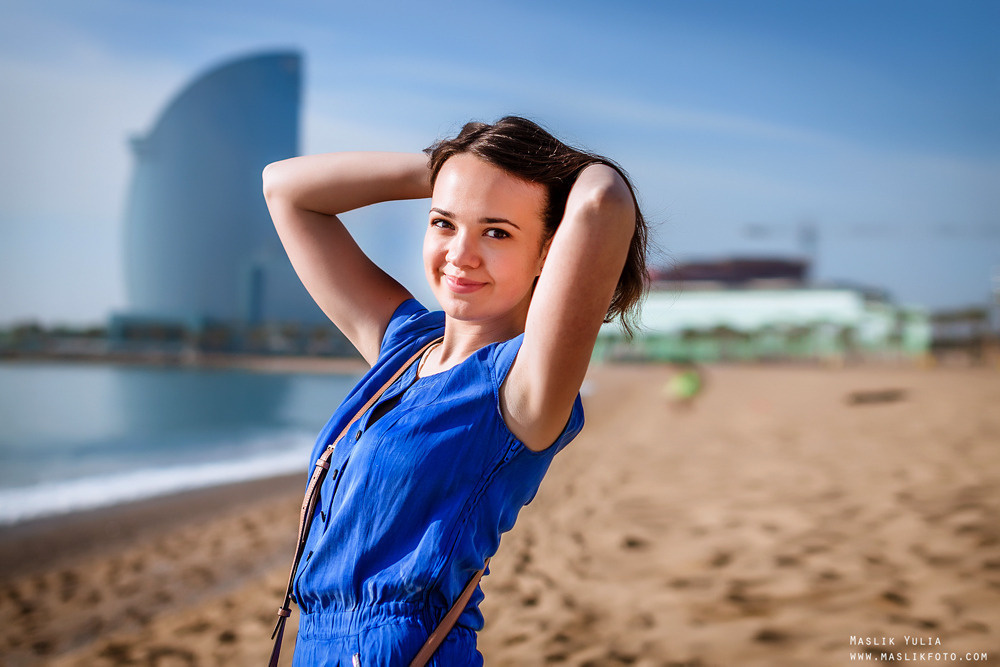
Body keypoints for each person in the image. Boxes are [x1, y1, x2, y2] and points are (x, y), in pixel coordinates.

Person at [262, 116, 649, 665]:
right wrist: (455, 169)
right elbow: (285, 188)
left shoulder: (520, 387)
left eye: (497, 232)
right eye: (444, 223)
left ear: (546, 253)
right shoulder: (402, 348)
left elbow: (603, 200)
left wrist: (508, 170)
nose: (460, 254)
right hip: (313, 645)